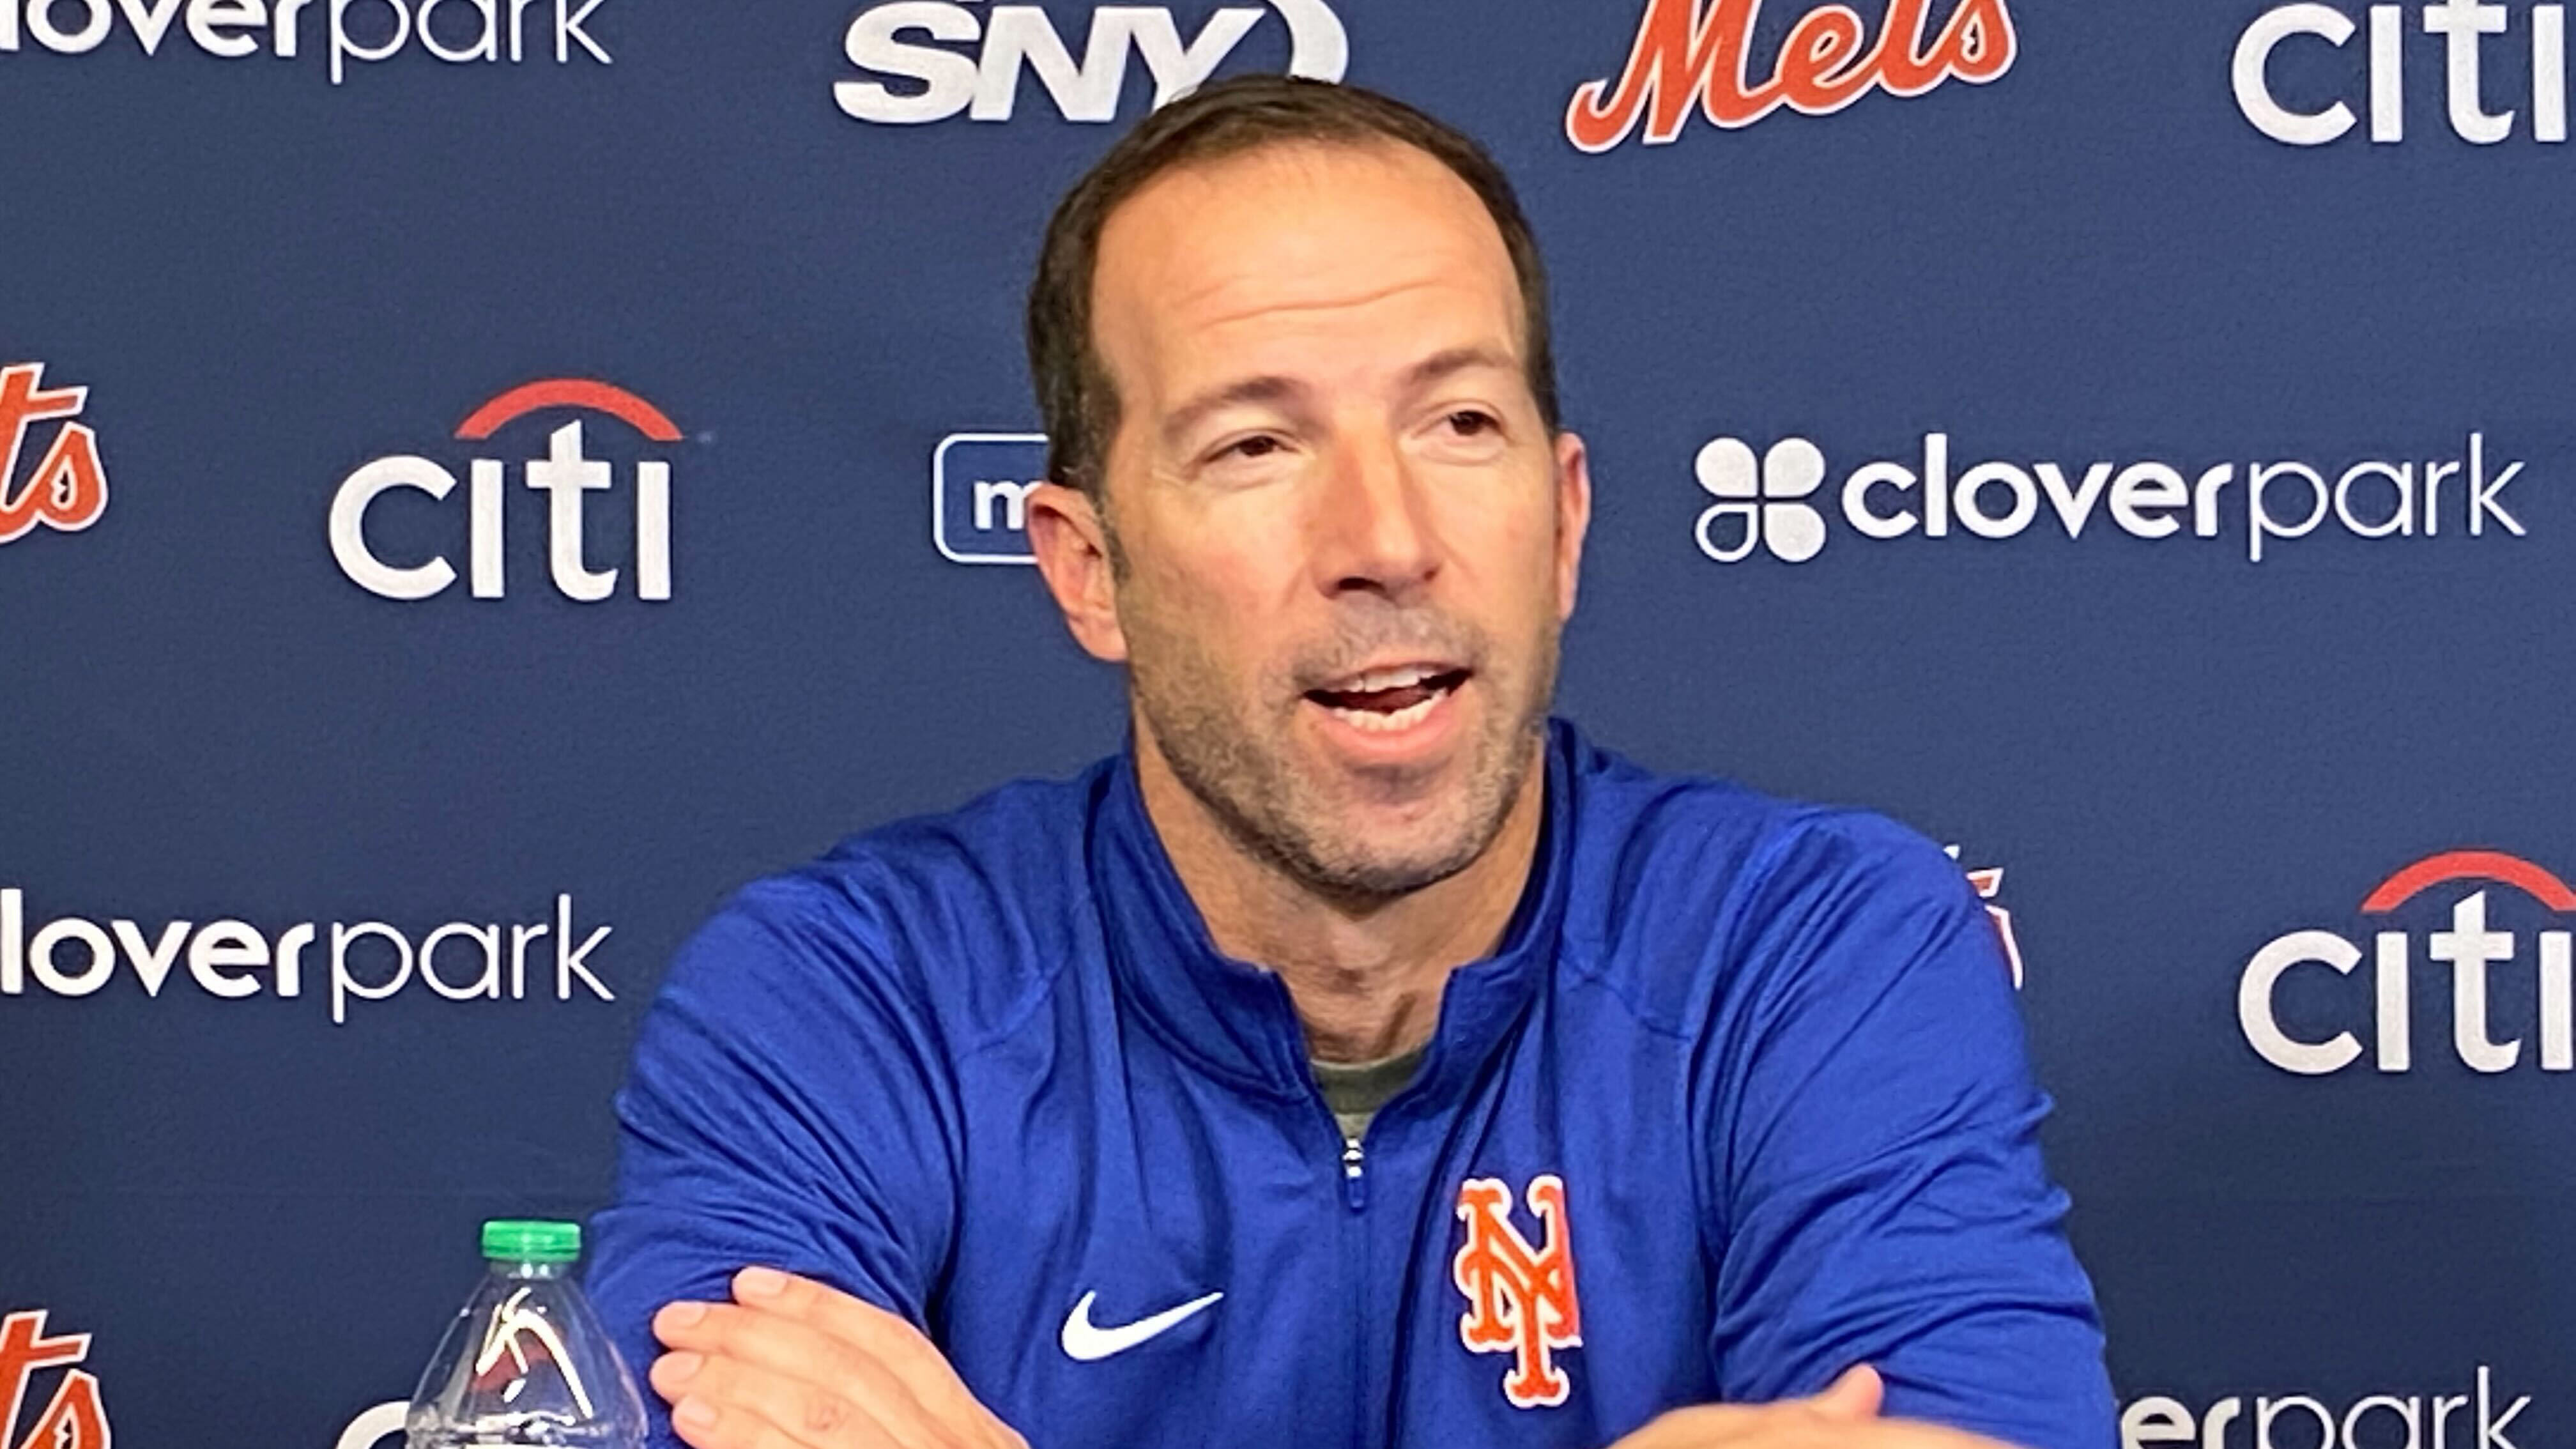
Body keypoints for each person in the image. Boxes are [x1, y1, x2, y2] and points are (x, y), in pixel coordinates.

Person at [586, 75, 2113, 1449]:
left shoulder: (1813, 947)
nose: (1386, 539)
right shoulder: (853, 996)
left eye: (1460, 422)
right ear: (1088, 569)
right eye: (1256, 445)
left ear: (1565, 520)